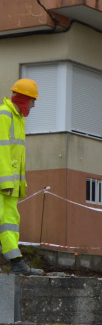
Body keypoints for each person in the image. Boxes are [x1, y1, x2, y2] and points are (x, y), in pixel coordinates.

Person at [0, 79, 38, 276]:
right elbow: (2, 151)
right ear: (24, 99)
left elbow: (17, 156)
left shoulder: (18, 119)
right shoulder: (4, 115)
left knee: (10, 221)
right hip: (4, 183)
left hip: (9, 184)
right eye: (32, 100)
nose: (33, 105)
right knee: (6, 221)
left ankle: (16, 261)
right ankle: (16, 262)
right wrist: (6, 181)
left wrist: (18, 183)